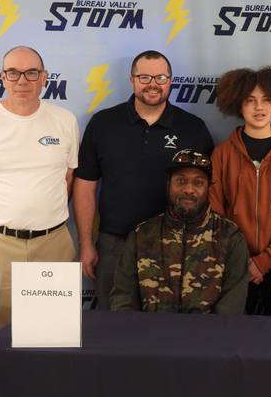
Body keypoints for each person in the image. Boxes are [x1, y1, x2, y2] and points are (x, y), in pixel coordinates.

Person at [73, 50, 214, 309]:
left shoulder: (193, 128)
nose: (153, 84)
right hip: (115, 243)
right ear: (132, 80)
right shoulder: (104, 123)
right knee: (111, 328)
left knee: (166, 332)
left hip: (175, 247)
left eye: (160, 77)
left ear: (171, 80)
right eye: (145, 77)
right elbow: (85, 185)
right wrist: (86, 244)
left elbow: (208, 193)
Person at [0, 45, 79, 333]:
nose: (22, 80)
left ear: (44, 77)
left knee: (52, 333)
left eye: (31, 72)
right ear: (3, 77)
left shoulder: (65, 120)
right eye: (13, 72)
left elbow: (68, 178)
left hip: (53, 242)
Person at [210, 66, 271, 315]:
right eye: (250, 100)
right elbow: (214, 213)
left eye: (266, 100)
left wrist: (265, 261)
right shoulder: (221, 154)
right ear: (238, 105)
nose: (259, 108)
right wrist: (241, 261)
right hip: (232, 266)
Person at [109, 150, 248, 314]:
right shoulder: (142, 234)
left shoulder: (229, 236)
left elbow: (231, 306)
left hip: (208, 337)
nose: (189, 189)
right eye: (181, 181)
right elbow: (123, 298)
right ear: (168, 184)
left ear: (209, 188)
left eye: (198, 183)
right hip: (149, 336)